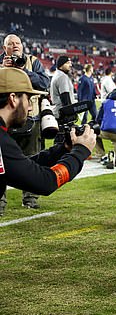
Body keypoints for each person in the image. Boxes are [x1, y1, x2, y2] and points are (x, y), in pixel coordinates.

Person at [0, 67, 96, 201]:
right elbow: (45, 182)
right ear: (13, 99)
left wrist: (63, 149)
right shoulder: (2, 141)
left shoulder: (3, 138)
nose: (30, 107)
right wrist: (81, 151)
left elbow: (22, 167)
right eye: (28, 99)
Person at [0, 34, 50, 213]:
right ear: (4, 48)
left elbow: (45, 83)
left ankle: (30, 198)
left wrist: (22, 70)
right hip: (4, 120)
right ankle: (0, 202)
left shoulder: (32, 61)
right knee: (1, 162)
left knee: (31, 157)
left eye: (18, 43)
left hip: (30, 117)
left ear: (22, 46)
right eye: (10, 44)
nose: (15, 46)